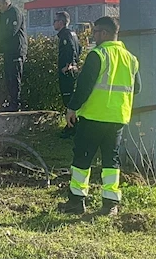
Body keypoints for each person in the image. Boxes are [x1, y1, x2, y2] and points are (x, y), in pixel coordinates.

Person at [57, 16, 142, 217]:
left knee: (82, 159)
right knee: (111, 161)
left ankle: (77, 202)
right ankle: (110, 203)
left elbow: (84, 86)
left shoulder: (98, 55)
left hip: (94, 116)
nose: (93, 35)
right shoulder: (131, 58)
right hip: (117, 117)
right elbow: (137, 88)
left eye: (95, 32)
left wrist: (72, 108)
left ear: (103, 33)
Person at [0, 0, 28, 112]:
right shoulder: (3, 14)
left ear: (6, 3)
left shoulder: (15, 13)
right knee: (8, 78)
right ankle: (11, 101)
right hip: (8, 51)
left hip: (16, 50)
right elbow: (0, 31)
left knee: (14, 78)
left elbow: (11, 32)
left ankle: (16, 103)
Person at [55, 11, 82, 137]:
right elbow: (79, 48)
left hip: (67, 72)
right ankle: (73, 125)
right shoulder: (73, 33)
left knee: (68, 99)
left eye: (55, 21)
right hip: (73, 70)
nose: (53, 24)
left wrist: (67, 65)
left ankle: (72, 127)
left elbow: (71, 48)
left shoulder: (65, 34)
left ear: (61, 22)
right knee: (71, 97)